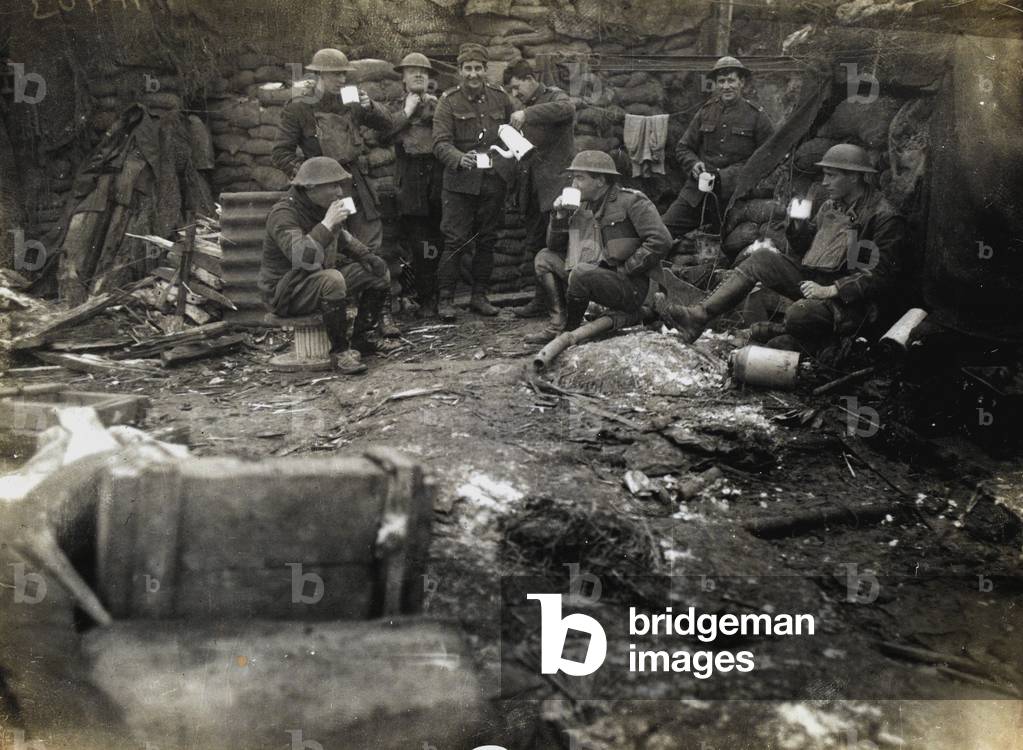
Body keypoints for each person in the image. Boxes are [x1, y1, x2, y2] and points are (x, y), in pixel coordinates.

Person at [654, 144, 905, 351]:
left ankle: (794, 334)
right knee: (762, 258)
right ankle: (699, 315)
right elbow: (808, 252)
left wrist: (832, 290)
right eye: (824, 175)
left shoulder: (882, 217)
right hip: (816, 283)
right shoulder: (831, 206)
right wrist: (797, 227)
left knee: (799, 314)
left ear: (854, 176)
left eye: (832, 175)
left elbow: (882, 277)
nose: (825, 182)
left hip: (850, 303)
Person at [272, 47, 399, 336]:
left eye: (344, 73)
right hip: (321, 189)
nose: (341, 79)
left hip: (354, 180)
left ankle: (382, 316)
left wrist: (371, 107)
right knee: (329, 247)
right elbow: (280, 154)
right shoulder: (299, 108)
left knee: (372, 245)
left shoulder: (351, 99)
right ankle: (336, 317)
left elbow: (387, 124)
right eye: (335, 74)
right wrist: (308, 179)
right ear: (318, 75)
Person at [260, 157, 397, 374]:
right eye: (333, 185)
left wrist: (367, 257)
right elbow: (303, 258)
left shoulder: (318, 205)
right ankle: (340, 353)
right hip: (286, 292)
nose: (340, 192)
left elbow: (341, 236)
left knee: (378, 273)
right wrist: (327, 223)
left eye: (340, 185)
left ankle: (362, 338)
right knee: (333, 279)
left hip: (315, 281)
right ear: (310, 187)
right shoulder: (284, 214)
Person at [524, 150, 673, 344]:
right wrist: (559, 217)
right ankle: (557, 327)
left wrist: (628, 268)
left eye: (580, 178)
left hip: (631, 286)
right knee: (544, 258)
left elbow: (661, 240)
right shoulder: (580, 206)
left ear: (600, 181)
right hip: (593, 276)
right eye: (573, 178)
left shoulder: (631, 201)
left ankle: (571, 330)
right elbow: (553, 247)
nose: (573, 184)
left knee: (581, 272)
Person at [432, 42, 516, 320]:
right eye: (467, 69)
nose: (473, 74)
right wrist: (459, 158)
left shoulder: (499, 97)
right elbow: (440, 142)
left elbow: (511, 132)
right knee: (455, 240)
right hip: (459, 183)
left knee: (488, 240)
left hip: (493, 181)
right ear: (459, 71)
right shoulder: (448, 100)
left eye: (478, 68)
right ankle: (445, 300)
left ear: (485, 70)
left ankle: (479, 296)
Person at [661, 56, 774, 239]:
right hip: (697, 193)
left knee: (730, 244)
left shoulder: (757, 117)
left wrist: (733, 176)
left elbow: (769, 158)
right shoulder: (706, 111)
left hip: (733, 198)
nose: (726, 86)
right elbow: (683, 148)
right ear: (715, 85)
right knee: (662, 231)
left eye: (731, 80)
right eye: (721, 81)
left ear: (742, 82)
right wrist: (694, 164)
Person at [502, 60, 577, 319]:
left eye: (516, 87)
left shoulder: (553, 96)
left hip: (556, 187)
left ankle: (567, 303)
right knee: (535, 245)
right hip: (532, 189)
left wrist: (528, 115)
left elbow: (567, 109)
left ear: (530, 78)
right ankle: (541, 300)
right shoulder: (526, 106)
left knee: (558, 244)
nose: (515, 94)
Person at [383, 52, 445, 318]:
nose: (419, 74)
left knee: (439, 239)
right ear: (403, 78)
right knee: (418, 242)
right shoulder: (394, 107)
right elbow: (382, 132)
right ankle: (423, 297)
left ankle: (440, 297)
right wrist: (407, 111)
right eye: (412, 71)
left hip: (438, 176)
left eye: (424, 71)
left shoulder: (441, 104)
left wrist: (436, 109)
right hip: (410, 177)